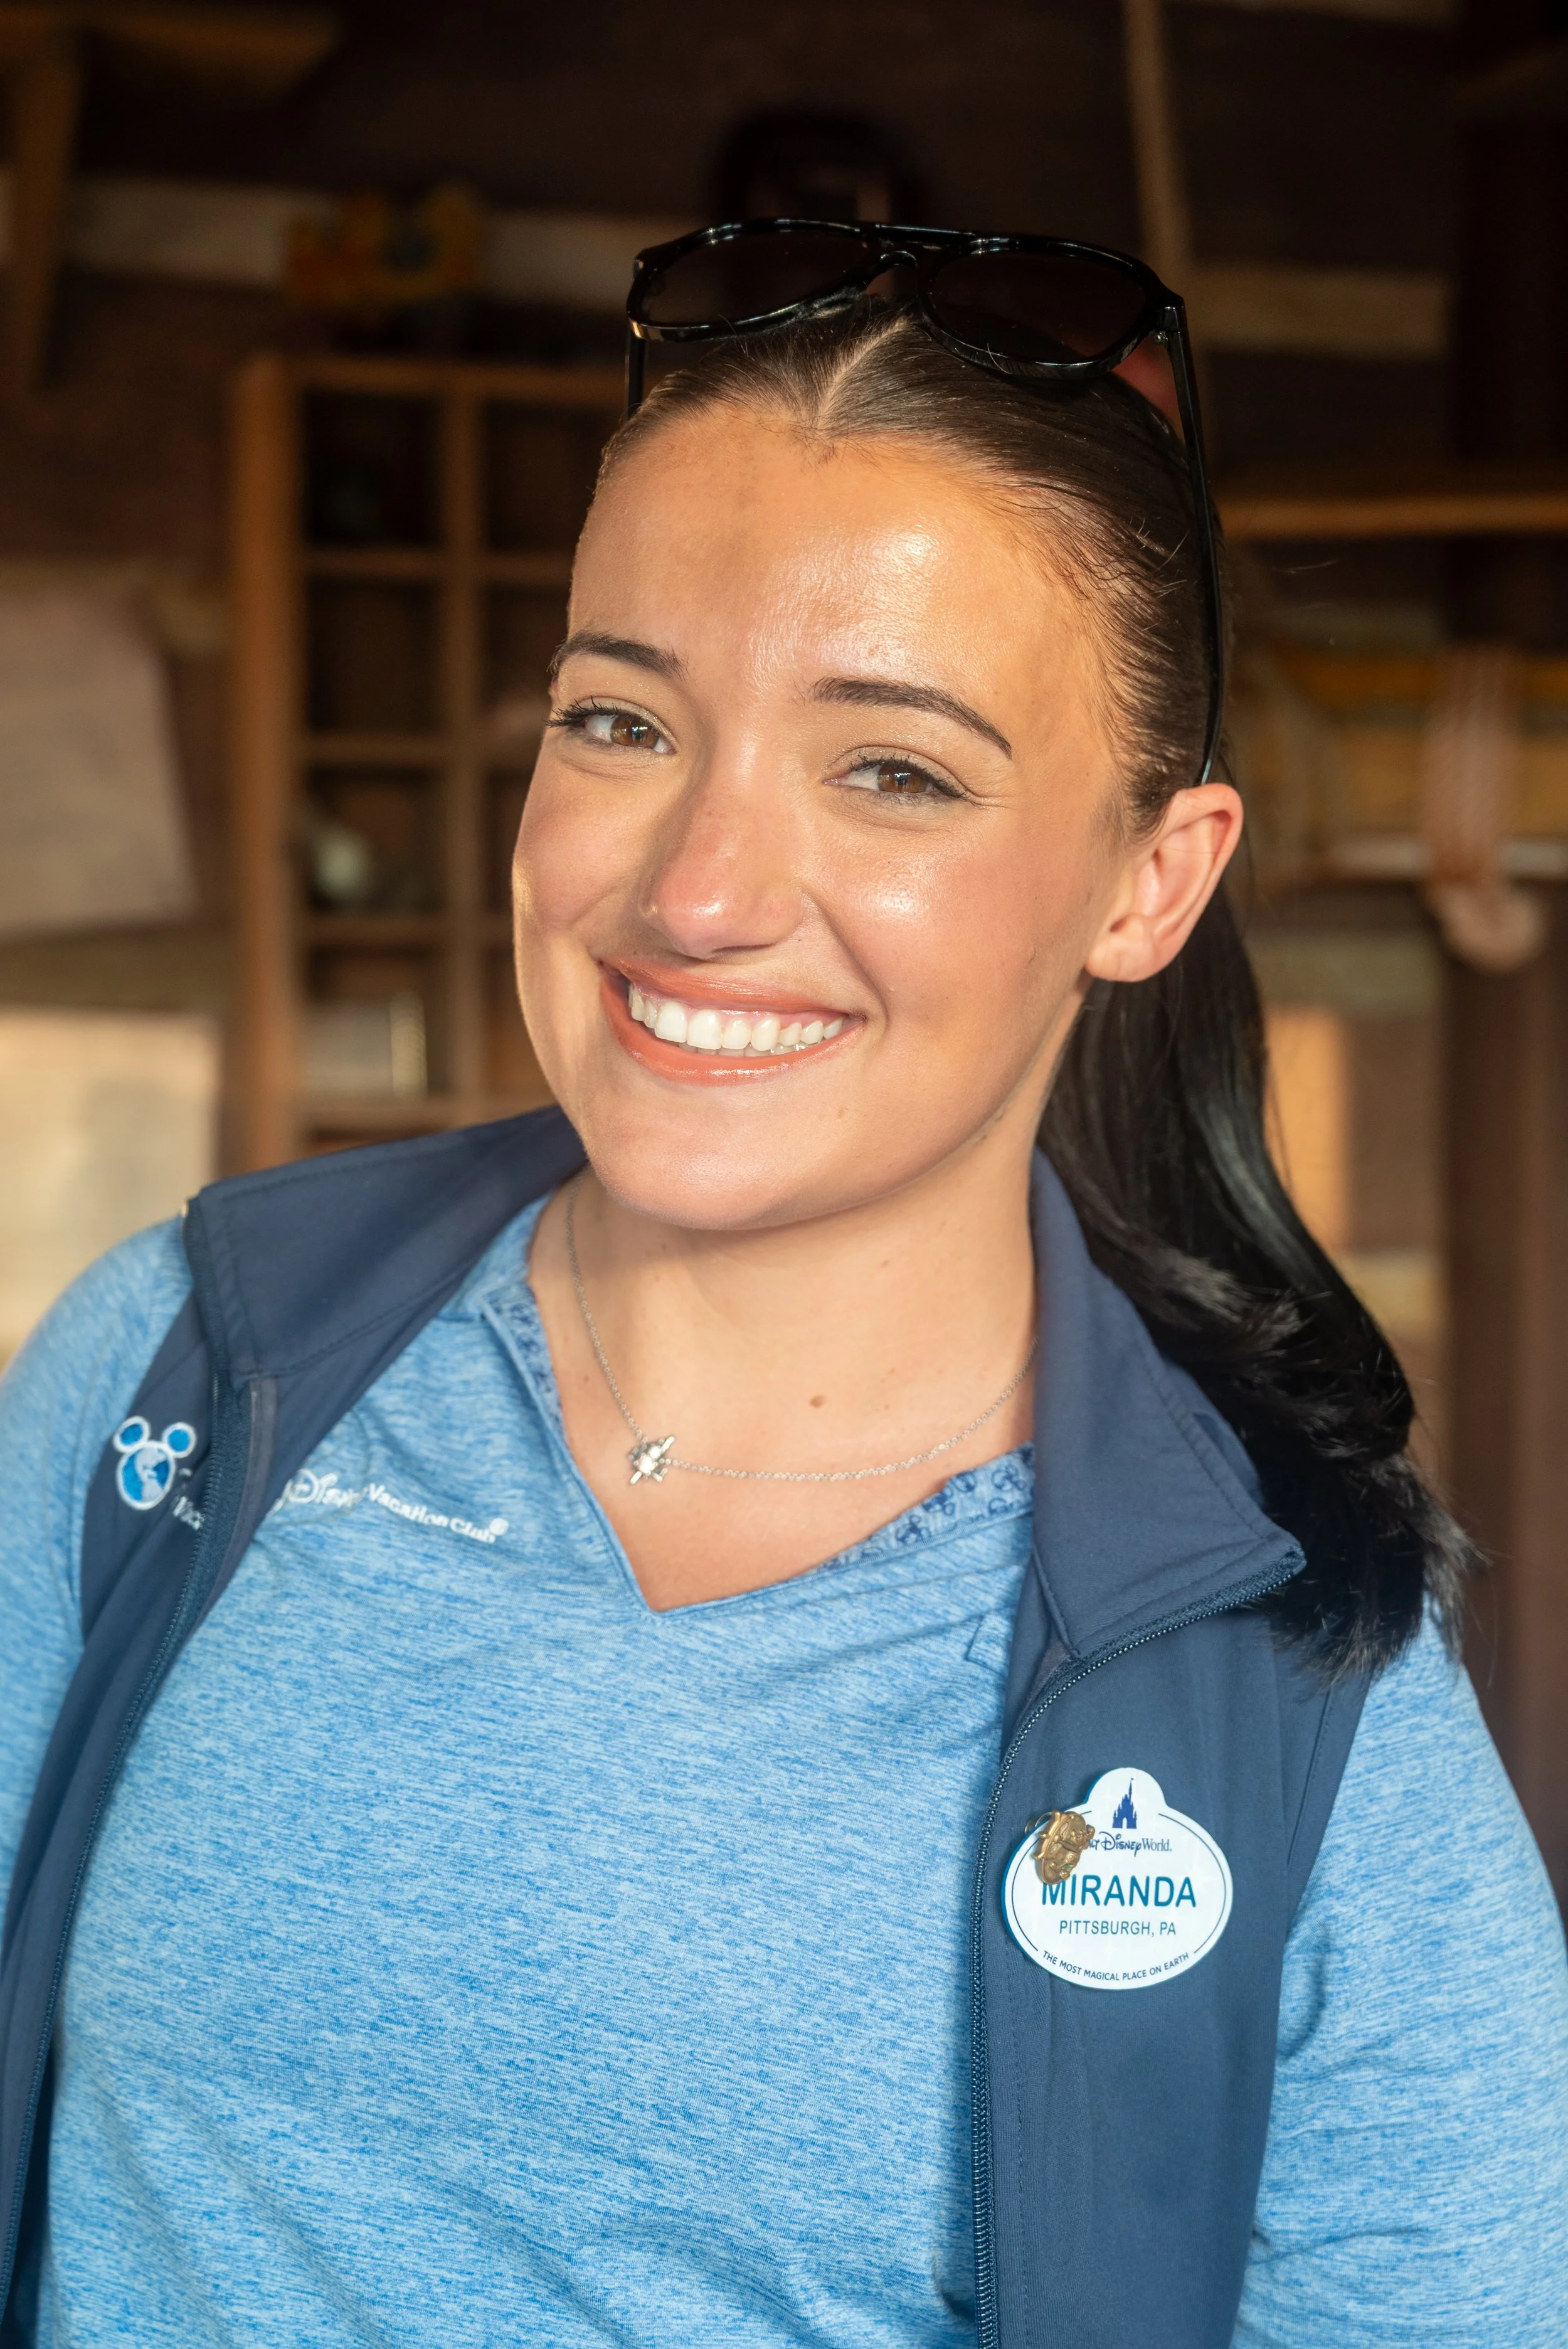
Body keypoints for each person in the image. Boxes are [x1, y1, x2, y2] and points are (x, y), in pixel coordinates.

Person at [1, 225, 1565, 2349]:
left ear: (1148, 881)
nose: (699, 892)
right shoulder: (185, 1373)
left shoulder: (1286, 1671)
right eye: (620, 720)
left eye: (892, 768)